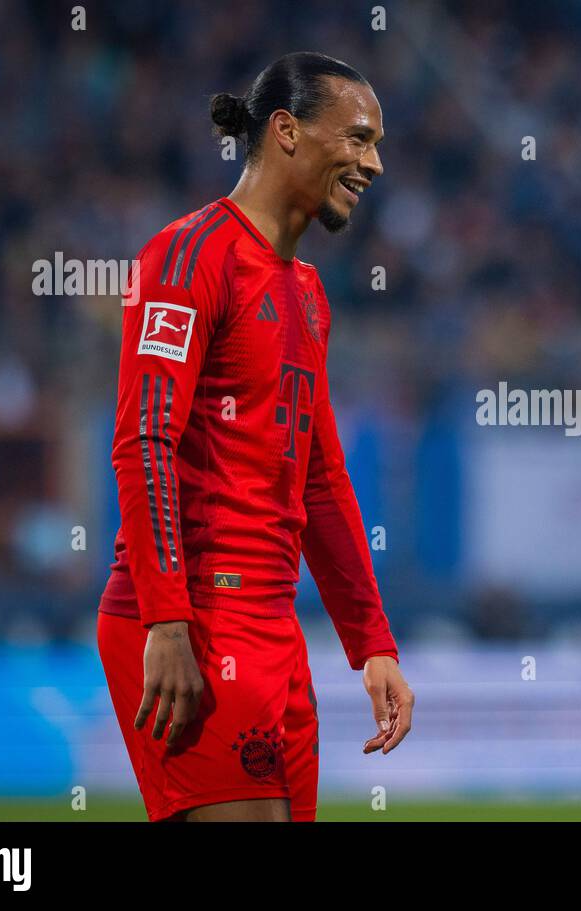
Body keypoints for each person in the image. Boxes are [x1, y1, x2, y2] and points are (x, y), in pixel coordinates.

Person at [98, 51, 413, 822]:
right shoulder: (188, 256)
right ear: (286, 132)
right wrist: (167, 618)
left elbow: (322, 478)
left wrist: (372, 641)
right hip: (195, 617)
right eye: (360, 138)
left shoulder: (306, 292)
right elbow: (146, 440)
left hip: (274, 627)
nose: (373, 164)